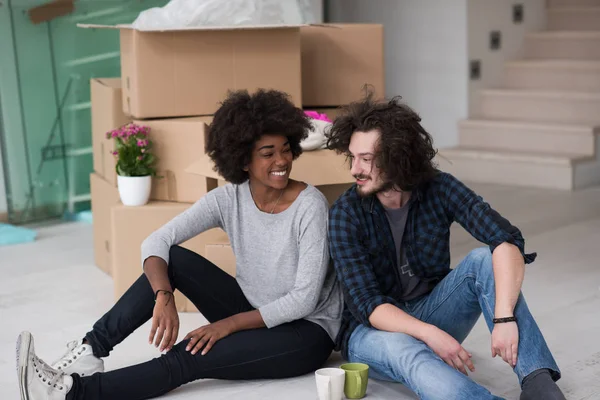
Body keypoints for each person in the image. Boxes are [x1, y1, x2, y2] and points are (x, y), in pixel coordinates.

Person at [16, 89, 343, 400]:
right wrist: (164, 294)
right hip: (253, 310)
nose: (282, 160)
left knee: (188, 355)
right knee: (171, 260)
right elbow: (156, 241)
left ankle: (71, 394)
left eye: (286, 149)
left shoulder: (309, 206)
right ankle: (90, 350)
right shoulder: (228, 199)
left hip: (304, 334)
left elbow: (303, 300)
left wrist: (225, 326)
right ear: (243, 160)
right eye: (267, 153)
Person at [325, 91, 565, 400]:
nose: (354, 169)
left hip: (430, 309)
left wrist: (503, 317)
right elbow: (368, 305)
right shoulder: (345, 213)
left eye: (367, 159)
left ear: (397, 157)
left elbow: (505, 238)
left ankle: (537, 380)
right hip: (373, 332)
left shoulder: (438, 188)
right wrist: (430, 334)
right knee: (404, 348)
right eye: (353, 157)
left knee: (483, 260)